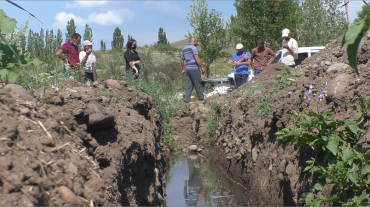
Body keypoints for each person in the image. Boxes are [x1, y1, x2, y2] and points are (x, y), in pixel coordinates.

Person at [180, 37, 205, 103]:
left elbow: (182, 60)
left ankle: (186, 101)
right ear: (194, 41)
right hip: (194, 68)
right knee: (197, 84)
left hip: (188, 68)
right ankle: (201, 99)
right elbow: (196, 58)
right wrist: (202, 67)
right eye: (196, 42)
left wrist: (183, 69)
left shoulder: (184, 49)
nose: (196, 43)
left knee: (189, 85)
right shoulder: (194, 48)